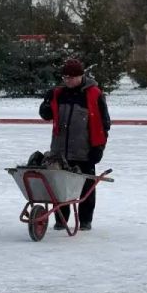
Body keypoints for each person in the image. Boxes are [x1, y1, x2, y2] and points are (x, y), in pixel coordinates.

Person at [39, 58, 111, 231]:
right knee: (59, 186)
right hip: (60, 151)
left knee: (86, 186)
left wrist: (98, 147)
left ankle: (85, 220)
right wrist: (46, 103)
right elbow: (46, 115)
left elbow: (104, 123)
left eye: (71, 77)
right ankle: (61, 220)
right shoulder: (58, 93)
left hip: (84, 150)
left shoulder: (93, 94)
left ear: (81, 76)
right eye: (65, 77)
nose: (67, 80)